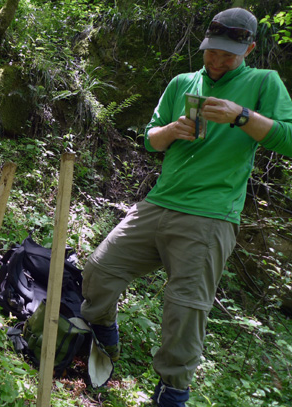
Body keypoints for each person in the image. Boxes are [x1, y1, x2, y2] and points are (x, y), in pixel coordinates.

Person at [80, 8, 292, 407]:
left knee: (184, 310)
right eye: (212, 51)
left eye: (228, 54)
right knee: (100, 270)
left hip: (211, 215)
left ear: (248, 48)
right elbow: (149, 140)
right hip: (159, 202)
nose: (216, 61)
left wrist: (241, 115)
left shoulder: (264, 82)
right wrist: (172, 131)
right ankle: (103, 334)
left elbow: (289, 139)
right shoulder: (183, 82)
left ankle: (172, 392)